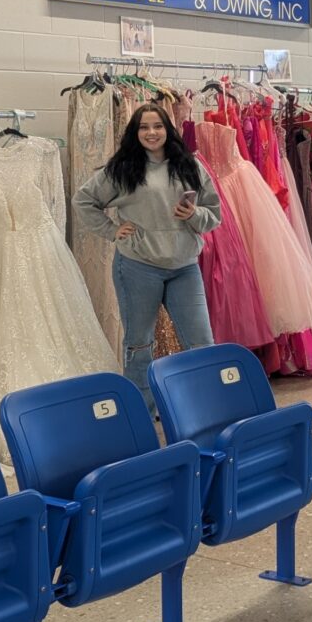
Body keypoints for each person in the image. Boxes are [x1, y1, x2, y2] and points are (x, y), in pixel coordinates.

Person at [74, 103, 221, 413]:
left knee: (201, 343)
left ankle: (206, 409)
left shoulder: (190, 166)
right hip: (137, 267)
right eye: (144, 127)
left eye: (157, 126)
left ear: (168, 130)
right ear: (135, 132)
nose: (151, 132)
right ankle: (142, 411)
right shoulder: (122, 169)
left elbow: (214, 214)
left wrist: (194, 215)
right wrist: (112, 230)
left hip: (185, 267)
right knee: (140, 344)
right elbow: (83, 200)